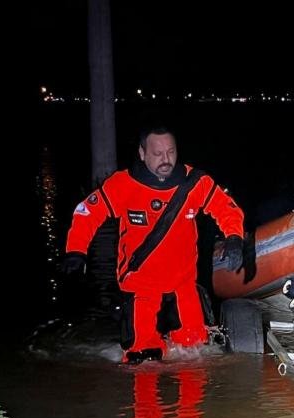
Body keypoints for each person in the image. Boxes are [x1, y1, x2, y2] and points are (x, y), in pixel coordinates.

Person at [61, 123, 245, 364]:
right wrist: (76, 251)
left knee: (197, 355)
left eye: (171, 152)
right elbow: (87, 213)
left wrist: (234, 237)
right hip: (141, 289)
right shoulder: (122, 185)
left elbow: (226, 208)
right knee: (142, 361)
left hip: (183, 287)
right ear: (142, 153)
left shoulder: (195, 183)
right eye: (157, 154)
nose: (165, 159)